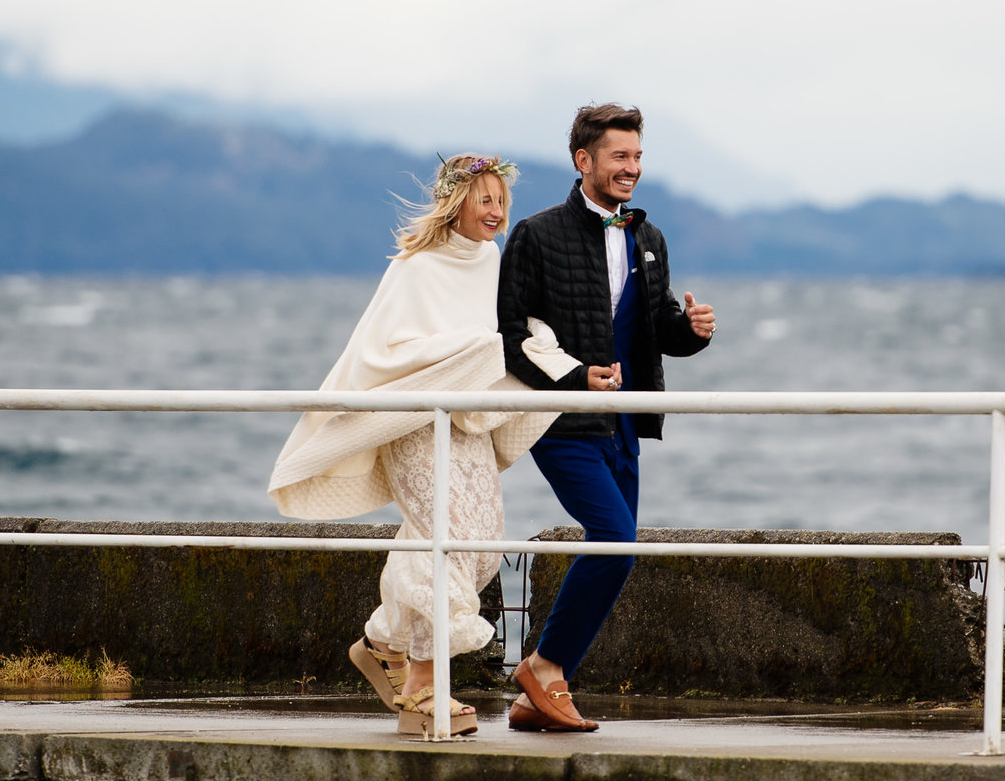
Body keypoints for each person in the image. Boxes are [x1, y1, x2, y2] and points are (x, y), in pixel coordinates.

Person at [267, 155, 556, 737]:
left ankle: (379, 642)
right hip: (414, 422)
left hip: (467, 420)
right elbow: (384, 350)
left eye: (502, 201)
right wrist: (469, 351)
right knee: (440, 539)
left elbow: (503, 332)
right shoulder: (416, 266)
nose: (497, 213)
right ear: (457, 202)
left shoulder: (491, 259)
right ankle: (423, 690)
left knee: (479, 543)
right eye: (485, 200)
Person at [497, 104, 718, 731]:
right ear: (583, 161)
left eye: (638, 156)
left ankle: (531, 700)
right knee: (616, 542)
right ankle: (545, 669)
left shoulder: (648, 239)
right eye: (620, 156)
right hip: (559, 422)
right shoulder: (536, 236)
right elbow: (510, 336)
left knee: (619, 548)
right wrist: (572, 377)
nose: (632, 168)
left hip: (625, 423)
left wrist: (692, 331)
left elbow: (657, 331)